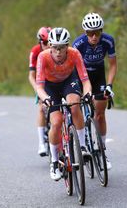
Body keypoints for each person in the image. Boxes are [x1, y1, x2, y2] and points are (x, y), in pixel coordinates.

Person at [36, 27, 92, 181]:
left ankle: (82, 146)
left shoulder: (74, 53)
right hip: (50, 86)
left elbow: (85, 80)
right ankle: (54, 162)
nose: (58, 52)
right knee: (56, 121)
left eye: (62, 48)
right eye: (54, 47)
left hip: (69, 80)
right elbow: (39, 87)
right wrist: (45, 98)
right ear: (50, 46)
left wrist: (87, 93)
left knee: (74, 105)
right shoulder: (43, 57)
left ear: (67, 46)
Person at [72, 13, 117, 170]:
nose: (93, 36)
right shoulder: (78, 44)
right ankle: (80, 143)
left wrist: (110, 85)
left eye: (97, 32)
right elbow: (73, 67)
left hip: (98, 76)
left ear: (101, 31)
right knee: (75, 106)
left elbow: (112, 65)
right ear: (85, 33)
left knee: (100, 113)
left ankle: (102, 151)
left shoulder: (108, 40)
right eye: (90, 33)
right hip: (82, 76)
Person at [28, 26, 52, 156]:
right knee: (42, 108)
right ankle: (41, 143)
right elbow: (31, 75)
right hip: (41, 82)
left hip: (54, 79)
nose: (47, 45)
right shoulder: (35, 51)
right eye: (44, 43)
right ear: (39, 42)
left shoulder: (55, 50)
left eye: (49, 42)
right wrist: (38, 90)